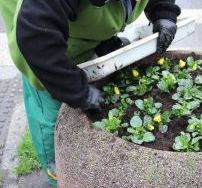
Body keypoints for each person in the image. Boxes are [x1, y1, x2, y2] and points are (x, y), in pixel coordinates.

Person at [0, 0, 181, 187]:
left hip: (71, 23)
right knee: (53, 116)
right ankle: (56, 172)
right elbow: (35, 36)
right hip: (37, 43)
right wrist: (77, 91)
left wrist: (164, 12)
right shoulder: (40, 18)